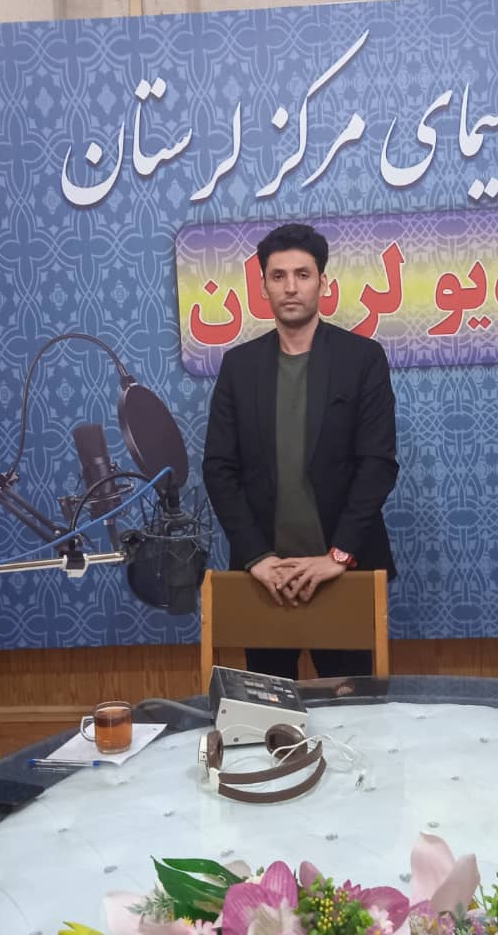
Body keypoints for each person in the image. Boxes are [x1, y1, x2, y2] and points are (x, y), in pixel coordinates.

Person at [202, 222, 399, 680]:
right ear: (264, 286)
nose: (290, 287)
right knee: (270, 711)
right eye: (278, 276)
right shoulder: (239, 366)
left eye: (302, 274)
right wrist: (257, 557)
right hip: (264, 577)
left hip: (342, 573)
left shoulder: (362, 359)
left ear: (322, 283)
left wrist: (338, 557)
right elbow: (219, 468)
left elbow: (377, 465)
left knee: (354, 708)